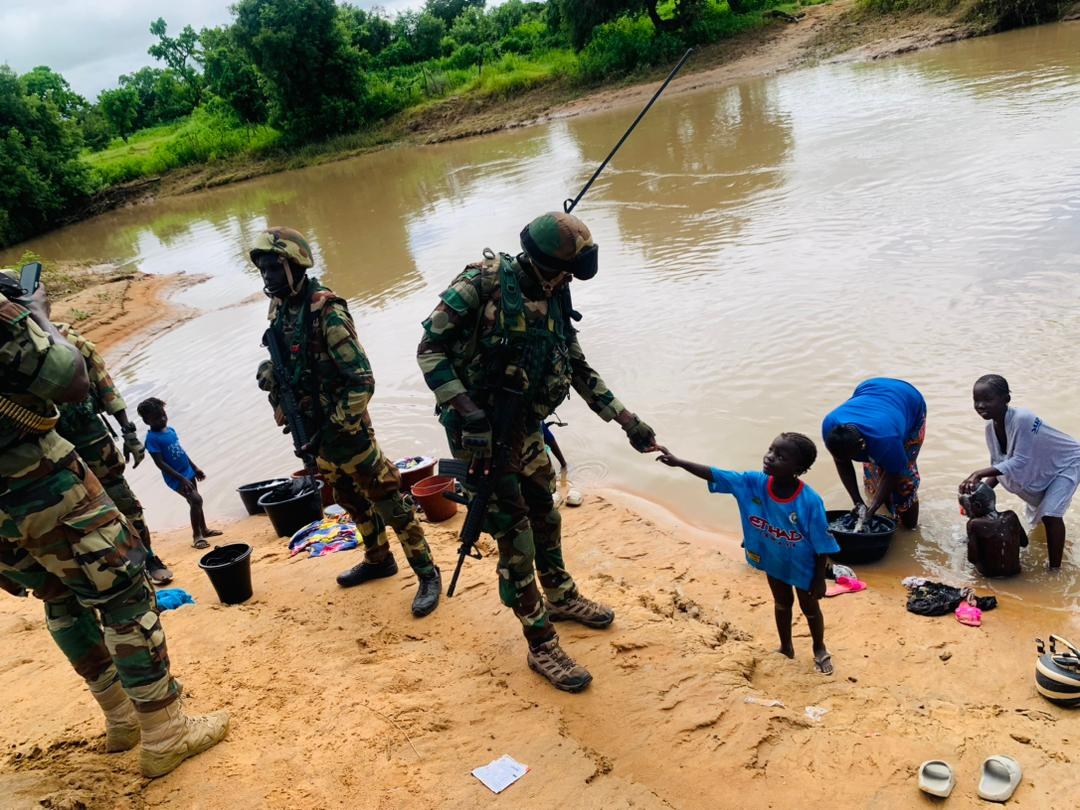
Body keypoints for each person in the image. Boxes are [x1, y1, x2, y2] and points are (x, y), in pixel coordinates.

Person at [417, 211, 659, 692]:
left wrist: (625, 420)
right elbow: (430, 351)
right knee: (515, 537)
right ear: (542, 261)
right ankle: (540, 641)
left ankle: (561, 596)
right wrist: (470, 413)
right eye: (564, 271)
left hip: (525, 428)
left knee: (546, 515)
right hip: (480, 437)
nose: (568, 280)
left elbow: (575, 364)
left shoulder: (555, 289)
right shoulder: (479, 285)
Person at [0, 281, 227, 778]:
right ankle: (166, 733)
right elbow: (70, 379)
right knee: (124, 595)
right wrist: (35, 311)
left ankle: (122, 718)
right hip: (36, 485)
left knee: (59, 597)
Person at [251, 226, 441, 617]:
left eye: (273, 267)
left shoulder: (327, 310)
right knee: (348, 499)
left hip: (347, 432)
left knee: (390, 501)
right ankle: (377, 559)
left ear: (294, 265)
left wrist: (339, 424)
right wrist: (270, 375)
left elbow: (362, 379)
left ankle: (426, 572)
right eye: (263, 268)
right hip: (314, 433)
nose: (266, 276)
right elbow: (286, 364)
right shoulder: (280, 309)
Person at [656, 433, 838, 675]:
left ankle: (819, 648)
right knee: (782, 604)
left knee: (810, 608)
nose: (770, 457)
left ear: (799, 468)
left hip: (802, 565)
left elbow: (821, 542)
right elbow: (716, 474)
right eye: (771, 450)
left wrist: (818, 579)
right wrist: (679, 462)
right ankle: (786, 647)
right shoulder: (753, 482)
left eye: (781, 457)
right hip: (773, 559)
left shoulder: (809, 501)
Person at [51, 319, 173, 584]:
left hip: (89, 434)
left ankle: (146, 558)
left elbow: (103, 383)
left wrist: (129, 432)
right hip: (44, 444)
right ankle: (102, 570)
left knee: (122, 499)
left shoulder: (62, 336)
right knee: (69, 510)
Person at [961, 374, 1080, 569]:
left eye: (987, 400)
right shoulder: (990, 428)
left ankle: (1055, 571)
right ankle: (1058, 547)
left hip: (1068, 462)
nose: (981, 405)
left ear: (1006, 399)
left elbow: (1019, 461)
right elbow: (1001, 465)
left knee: (1050, 514)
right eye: (976, 400)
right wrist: (979, 491)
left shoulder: (1023, 419)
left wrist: (978, 474)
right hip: (1043, 465)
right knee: (1039, 520)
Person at [822, 377, 927, 529]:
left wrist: (872, 510)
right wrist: (858, 502)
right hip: (870, 389)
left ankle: (910, 529)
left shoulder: (887, 438)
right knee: (874, 475)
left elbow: (894, 473)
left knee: (903, 482)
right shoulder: (830, 426)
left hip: (909, 400)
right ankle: (884, 503)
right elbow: (841, 462)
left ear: (862, 444)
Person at [137, 397, 221, 549]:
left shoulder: (170, 430)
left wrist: (195, 468)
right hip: (176, 478)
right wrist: (181, 479)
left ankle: (204, 529)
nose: (162, 419)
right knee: (196, 500)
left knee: (194, 502)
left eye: (163, 415)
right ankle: (197, 536)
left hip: (187, 472)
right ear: (146, 421)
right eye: (156, 418)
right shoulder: (152, 439)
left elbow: (181, 452)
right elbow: (160, 463)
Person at [960, 482, 1027, 578]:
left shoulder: (973, 524)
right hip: (1015, 573)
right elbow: (1024, 542)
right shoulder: (1011, 516)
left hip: (989, 576)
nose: (964, 512)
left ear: (977, 506)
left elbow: (972, 559)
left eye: (965, 507)